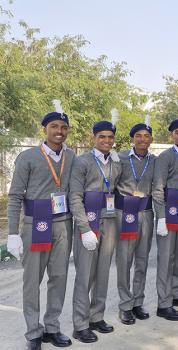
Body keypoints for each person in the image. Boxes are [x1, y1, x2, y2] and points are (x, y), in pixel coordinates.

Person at [7, 100, 75, 349]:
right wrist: (13, 233)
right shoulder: (28, 157)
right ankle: (33, 332)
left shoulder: (71, 156)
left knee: (58, 277)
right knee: (32, 281)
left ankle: (52, 327)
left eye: (64, 127)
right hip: (36, 224)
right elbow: (15, 196)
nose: (59, 131)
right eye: (54, 126)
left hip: (62, 224)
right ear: (45, 129)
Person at [70, 110, 122, 343]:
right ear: (94, 138)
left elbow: (117, 190)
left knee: (102, 272)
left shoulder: (115, 162)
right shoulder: (82, 162)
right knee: (85, 275)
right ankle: (80, 325)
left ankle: (96, 317)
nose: (106, 141)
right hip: (88, 223)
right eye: (102, 137)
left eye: (110, 137)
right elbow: (74, 197)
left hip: (109, 221)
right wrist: (84, 229)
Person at [152, 111, 178, 321]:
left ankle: (176, 293)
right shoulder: (165, 157)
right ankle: (163, 303)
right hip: (169, 212)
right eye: (177, 132)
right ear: (171, 135)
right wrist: (160, 217)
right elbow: (158, 189)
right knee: (166, 258)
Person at [114, 115, 156, 325]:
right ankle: (125, 304)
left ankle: (138, 301)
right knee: (124, 260)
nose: (142, 139)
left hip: (146, 213)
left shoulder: (155, 161)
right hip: (125, 213)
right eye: (138, 136)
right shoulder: (119, 158)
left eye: (146, 136)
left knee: (142, 260)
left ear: (150, 139)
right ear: (132, 139)